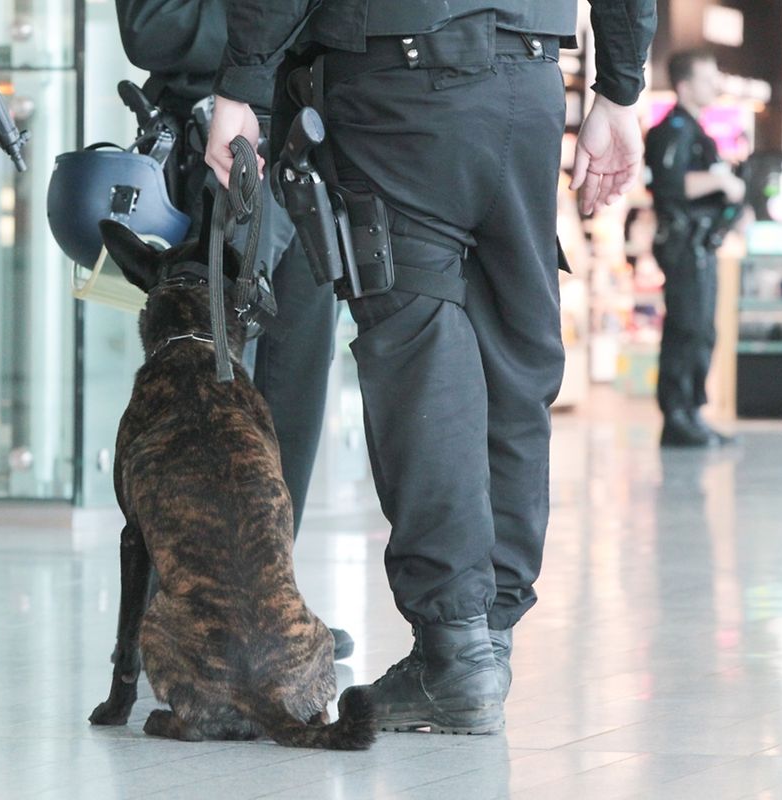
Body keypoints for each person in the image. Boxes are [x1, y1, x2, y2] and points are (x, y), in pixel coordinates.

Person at [206, 0, 654, 733]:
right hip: (529, 80)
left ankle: (457, 651)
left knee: (420, 351)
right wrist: (620, 87)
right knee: (514, 351)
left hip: (397, 84)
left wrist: (243, 85)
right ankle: (489, 642)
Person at [114, 0, 352, 658]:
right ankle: (184, 605)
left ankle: (270, 601)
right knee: (202, 396)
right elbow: (150, 27)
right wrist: (276, 28)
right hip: (215, 150)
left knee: (297, 383)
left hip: (315, 149)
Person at [646, 50, 743, 448]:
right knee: (686, 330)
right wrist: (721, 184)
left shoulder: (696, 131)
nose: (714, 86)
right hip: (682, 243)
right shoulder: (670, 131)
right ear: (684, 85)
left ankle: (692, 412)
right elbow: (669, 185)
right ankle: (677, 416)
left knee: (702, 330)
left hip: (702, 244)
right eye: (707, 78)